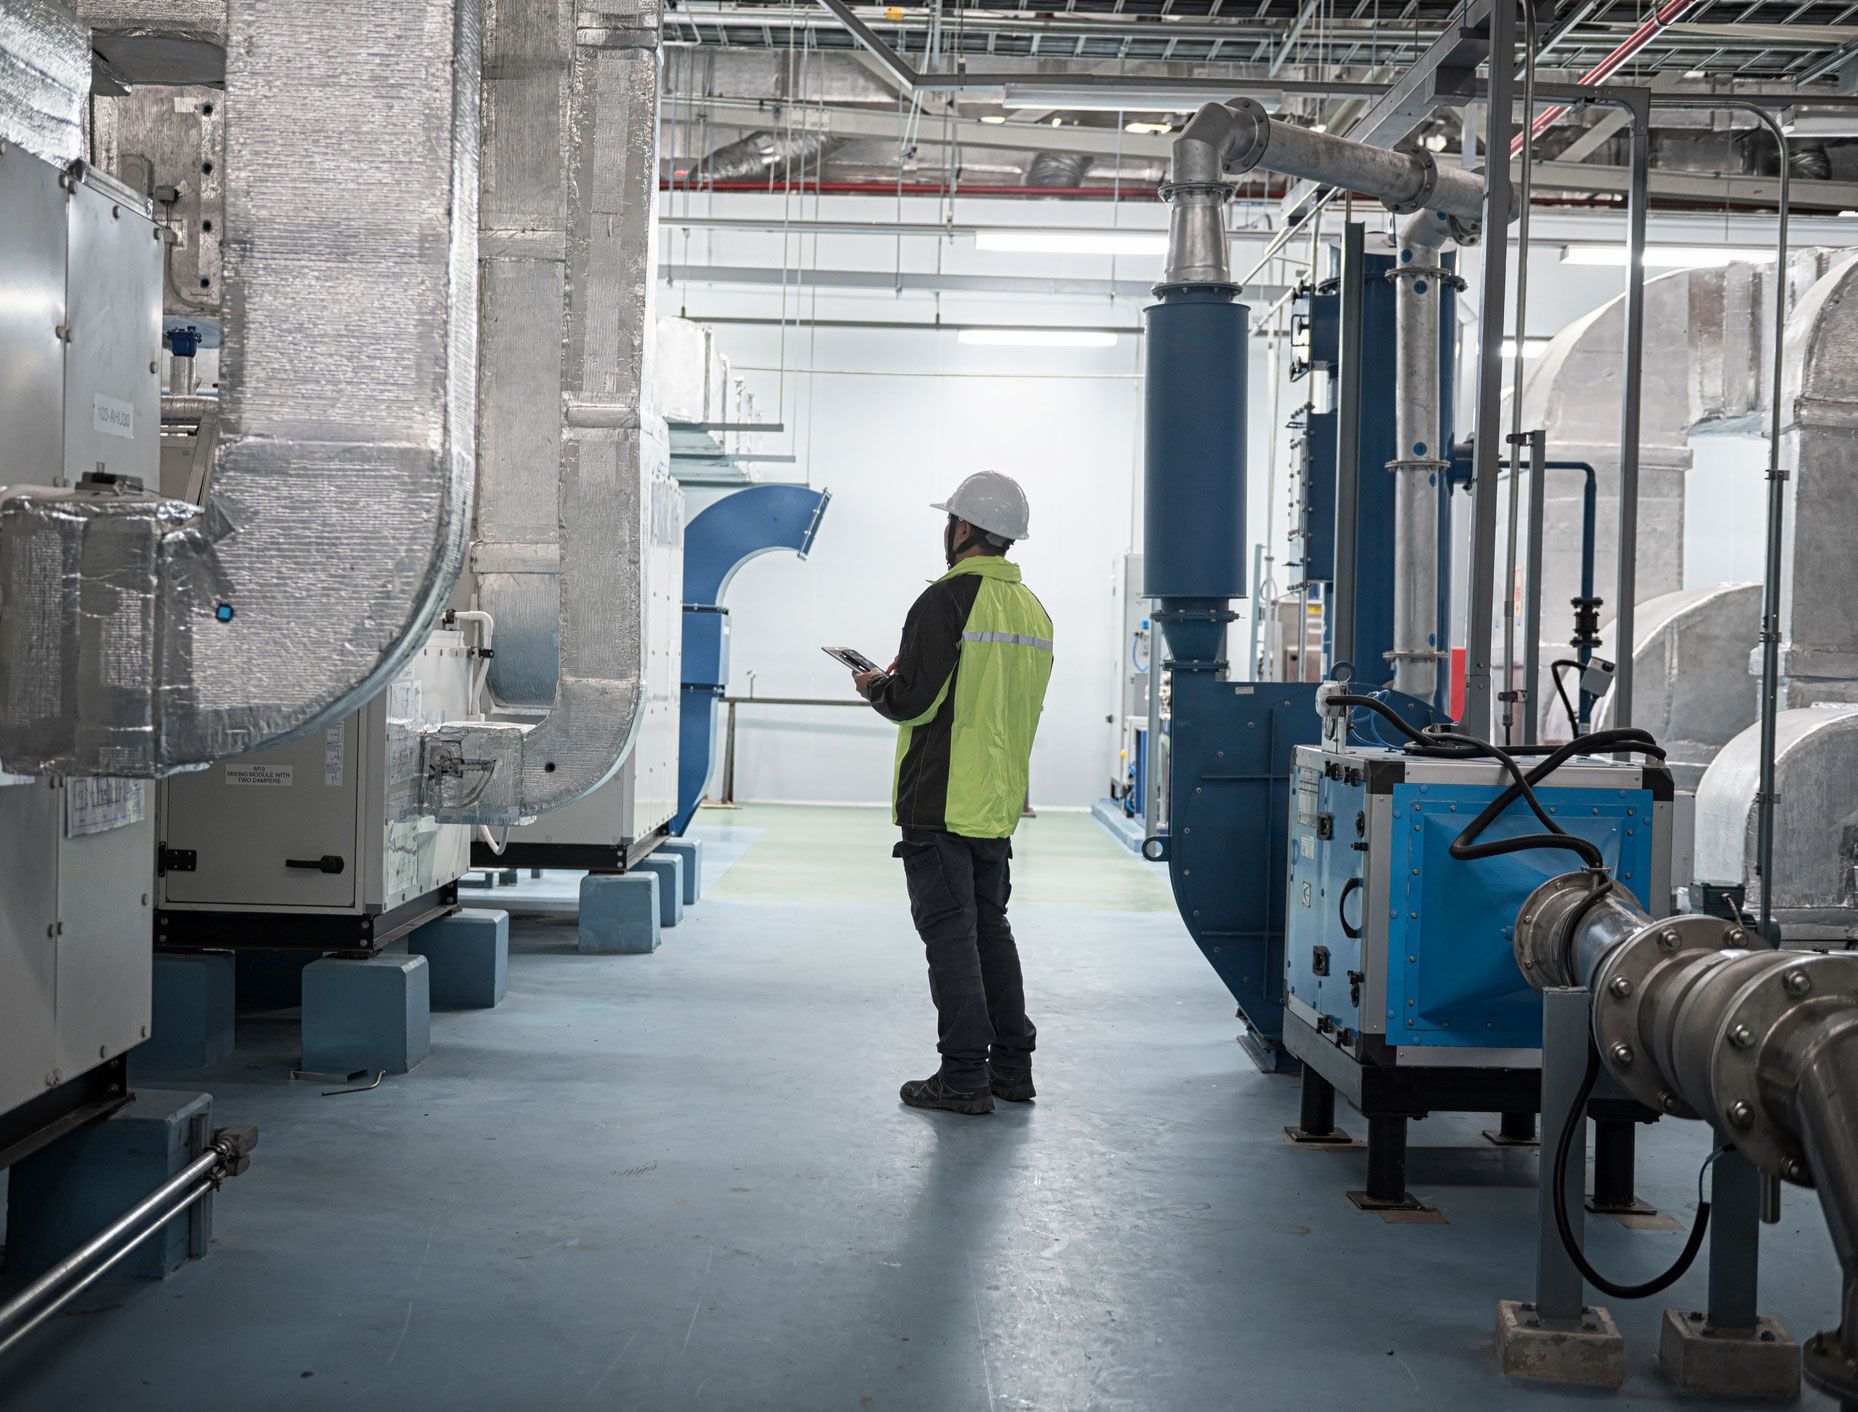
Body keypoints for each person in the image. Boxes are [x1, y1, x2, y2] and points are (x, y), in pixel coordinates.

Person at [849, 471, 1054, 1116]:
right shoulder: (1032, 611)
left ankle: (963, 1077)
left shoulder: (945, 601)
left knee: (950, 937)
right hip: (995, 801)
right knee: (990, 930)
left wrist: (876, 685)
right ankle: (1011, 1069)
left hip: (939, 799)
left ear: (962, 528)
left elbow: (913, 699)